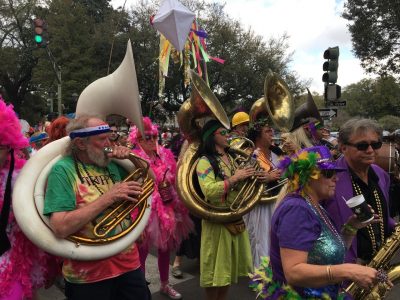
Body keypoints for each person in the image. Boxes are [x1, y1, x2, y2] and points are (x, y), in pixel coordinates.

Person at [43, 115, 150, 300]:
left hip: (129, 264)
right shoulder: (62, 170)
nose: (110, 143)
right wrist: (108, 197)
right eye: (102, 139)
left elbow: (151, 182)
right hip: (89, 277)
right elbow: (60, 227)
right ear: (81, 144)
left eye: (111, 137)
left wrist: (131, 160)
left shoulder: (112, 163)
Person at [267, 145, 385, 299]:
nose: (336, 178)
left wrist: (351, 227)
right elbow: (293, 272)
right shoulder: (296, 209)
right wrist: (349, 270)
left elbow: (326, 253)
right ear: (309, 176)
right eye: (329, 173)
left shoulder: (315, 205)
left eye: (335, 173)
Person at [128, 117, 193, 300]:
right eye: (147, 137)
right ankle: (139, 289)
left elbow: (173, 177)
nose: (152, 140)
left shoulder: (164, 154)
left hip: (166, 208)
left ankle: (165, 284)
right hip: (143, 210)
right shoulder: (134, 159)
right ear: (138, 140)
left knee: (165, 248)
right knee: (141, 249)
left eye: (154, 137)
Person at [0, 97, 58, 300]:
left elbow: (44, 220)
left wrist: (52, 263)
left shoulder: (24, 177)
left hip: (14, 260)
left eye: (0, 146)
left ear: (10, 147)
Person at [196, 119, 255, 300]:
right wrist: (236, 178)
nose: (228, 136)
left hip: (234, 218)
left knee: (226, 270)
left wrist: (252, 176)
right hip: (217, 222)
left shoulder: (230, 157)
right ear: (212, 137)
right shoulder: (204, 162)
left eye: (227, 132)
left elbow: (240, 181)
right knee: (215, 272)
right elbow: (209, 190)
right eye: (223, 133)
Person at [324, 118, 396, 264]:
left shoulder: (381, 175)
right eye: (362, 146)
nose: (370, 150)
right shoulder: (327, 179)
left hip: (378, 262)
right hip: (343, 268)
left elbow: (383, 216)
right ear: (343, 148)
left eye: (376, 144)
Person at [243, 118, 282, 267]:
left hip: (275, 201)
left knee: (273, 238)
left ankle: (274, 271)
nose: (271, 133)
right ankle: (260, 277)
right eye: (267, 131)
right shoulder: (251, 154)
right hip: (260, 204)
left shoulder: (275, 153)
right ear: (258, 137)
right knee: (260, 240)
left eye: (271, 130)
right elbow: (247, 176)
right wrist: (267, 177)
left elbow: (284, 172)